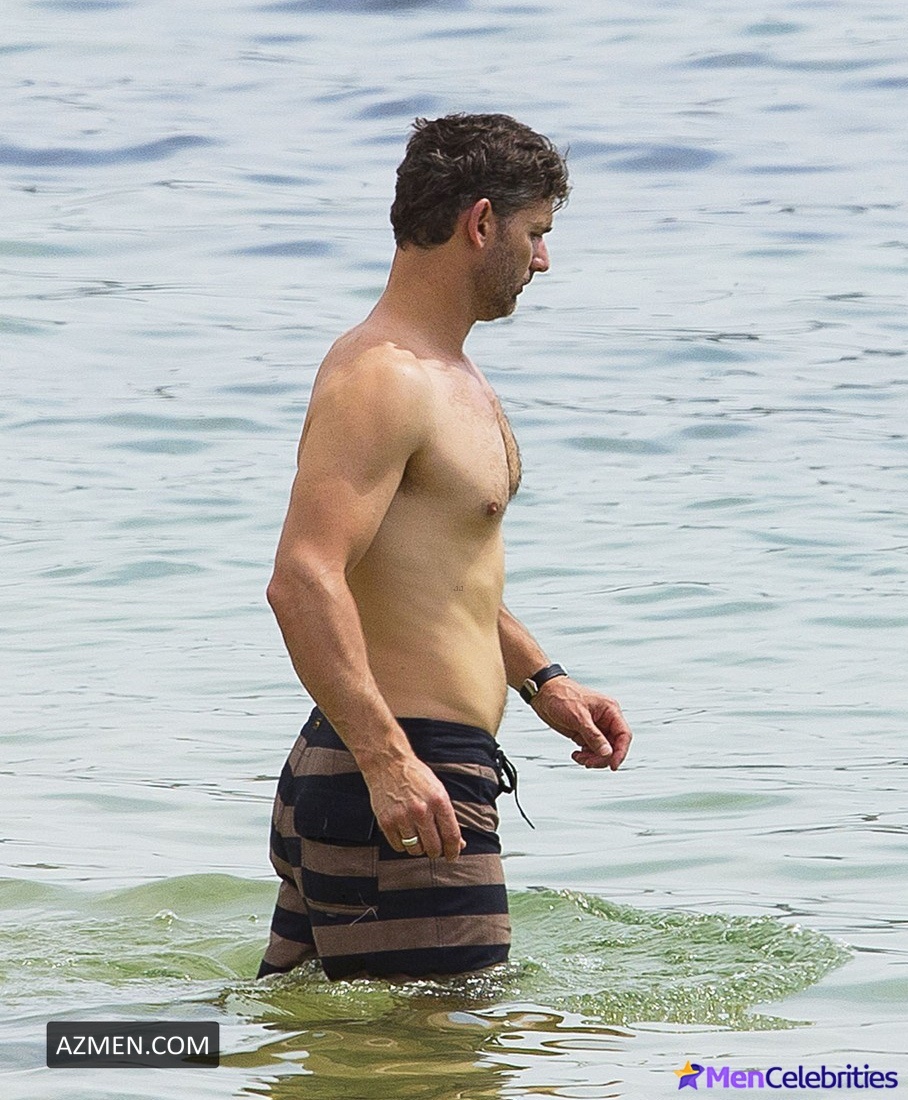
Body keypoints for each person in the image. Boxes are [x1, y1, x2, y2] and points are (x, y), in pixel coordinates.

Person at [257, 113, 633, 982]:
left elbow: (436, 574)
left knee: (310, 1045)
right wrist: (389, 761)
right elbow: (302, 578)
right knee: (447, 1050)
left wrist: (543, 682)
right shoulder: (384, 377)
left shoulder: (446, 371)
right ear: (481, 223)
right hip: (404, 779)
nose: (543, 259)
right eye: (536, 232)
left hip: (374, 772)